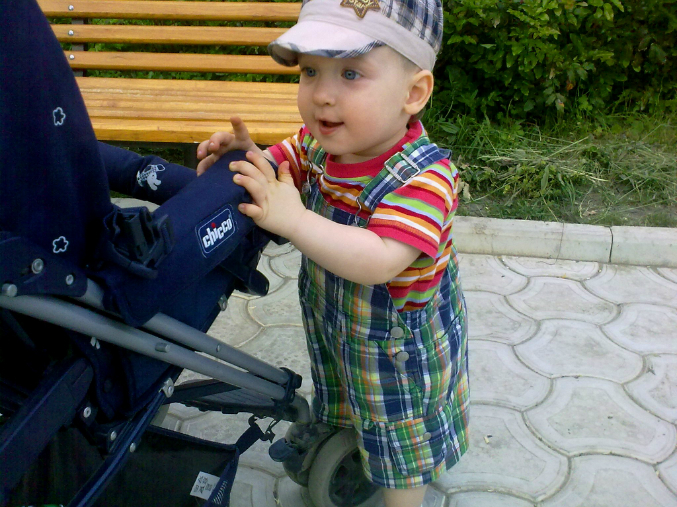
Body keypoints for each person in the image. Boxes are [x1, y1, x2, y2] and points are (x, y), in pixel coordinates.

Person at [195, 0, 468, 505]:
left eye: (350, 73)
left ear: (413, 93)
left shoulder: (424, 179)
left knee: (399, 439)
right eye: (310, 71)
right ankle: (345, 438)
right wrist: (249, 159)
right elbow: (285, 163)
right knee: (345, 394)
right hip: (339, 327)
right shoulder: (319, 144)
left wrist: (296, 220)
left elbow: (380, 259)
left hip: (398, 351)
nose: (322, 94)